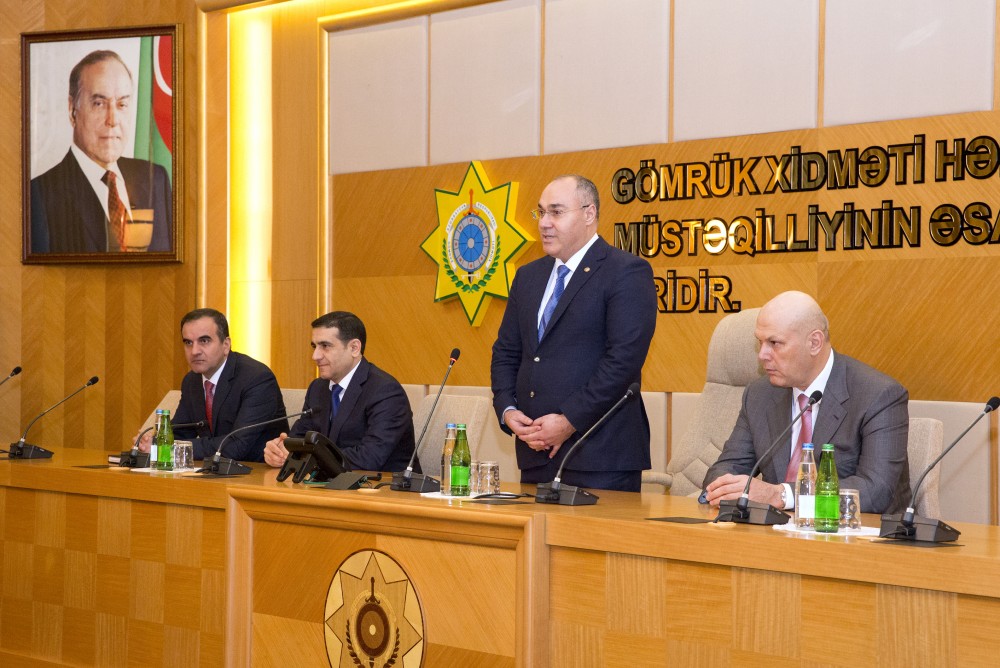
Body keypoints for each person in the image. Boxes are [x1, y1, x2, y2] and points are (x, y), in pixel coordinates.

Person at [490, 174, 657, 492]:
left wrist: (568, 421)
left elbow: (622, 363)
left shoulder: (625, 272)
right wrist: (507, 408)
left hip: (600, 455)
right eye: (540, 212)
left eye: (556, 212)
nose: (544, 223)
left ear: (589, 214)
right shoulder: (528, 276)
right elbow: (507, 351)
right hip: (535, 453)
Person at [703, 291, 910, 514]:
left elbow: (874, 492)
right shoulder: (759, 394)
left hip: (854, 538)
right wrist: (725, 487)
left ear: (814, 342)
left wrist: (782, 495)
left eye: (774, 343)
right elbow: (724, 469)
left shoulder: (878, 395)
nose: (762, 355)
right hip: (775, 536)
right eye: (760, 342)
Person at [30, 50, 172, 254]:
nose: (112, 120)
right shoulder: (40, 195)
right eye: (99, 104)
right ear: (72, 110)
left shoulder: (155, 179)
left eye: (122, 104)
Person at [263, 311, 416, 472]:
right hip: (331, 485)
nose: (315, 355)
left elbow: (370, 457)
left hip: (384, 489)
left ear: (354, 348)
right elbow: (299, 439)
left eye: (325, 346)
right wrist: (281, 451)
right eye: (314, 346)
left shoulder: (385, 391)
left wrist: (308, 457)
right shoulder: (318, 388)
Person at [136, 308, 286, 461]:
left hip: (256, 474)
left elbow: (236, 446)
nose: (194, 351)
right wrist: (154, 442)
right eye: (188, 342)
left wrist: (169, 448)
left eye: (204, 341)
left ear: (226, 345)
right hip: (212, 472)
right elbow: (181, 432)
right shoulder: (192, 381)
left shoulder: (256, 378)